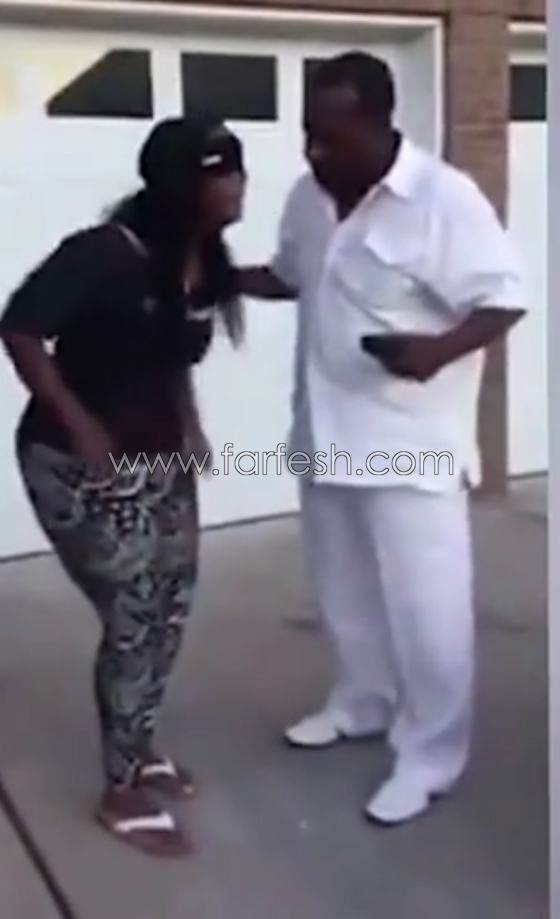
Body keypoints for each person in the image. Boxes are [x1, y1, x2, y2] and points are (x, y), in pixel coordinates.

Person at [239, 52, 527, 825]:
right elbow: (291, 274)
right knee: (342, 590)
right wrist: (220, 276)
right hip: (325, 430)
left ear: (377, 122)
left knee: (428, 609)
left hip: (408, 442)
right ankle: (360, 701)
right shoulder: (308, 197)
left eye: (330, 135)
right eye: (308, 132)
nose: (314, 150)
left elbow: (504, 296)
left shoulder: (442, 199)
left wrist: (437, 350)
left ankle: (431, 755)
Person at [0, 115, 245, 856]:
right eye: (218, 173)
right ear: (179, 184)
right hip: (75, 463)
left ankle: (137, 744)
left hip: (161, 457)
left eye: (237, 169)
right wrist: (79, 423)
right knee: (134, 609)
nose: (235, 186)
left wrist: (190, 430)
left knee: (172, 603)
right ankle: (119, 788)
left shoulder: (202, 260)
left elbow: (170, 359)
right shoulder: (104, 254)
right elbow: (20, 328)